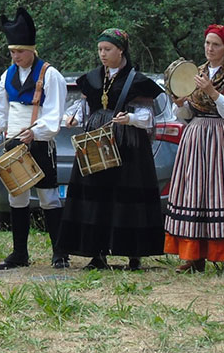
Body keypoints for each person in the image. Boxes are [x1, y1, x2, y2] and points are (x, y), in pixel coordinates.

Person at [57, 28, 165, 270]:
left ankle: (133, 254)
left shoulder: (137, 81)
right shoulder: (93, 78)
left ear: (121, 50)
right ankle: (97, 253)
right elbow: (85, 105)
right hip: (96, 143)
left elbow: (148, 116)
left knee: (127, 196)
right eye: (100, 50)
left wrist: (132, 120)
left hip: (129, 147)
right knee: (96, 196)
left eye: (107, 49)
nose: (103, 54)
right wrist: (72, 116)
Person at [164, 25, 224, 273]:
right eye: (207, 43)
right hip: (196, 135)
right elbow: (186, 114)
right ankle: (194, 255)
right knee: (194, 192)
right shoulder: (197, 72)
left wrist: (212, 92)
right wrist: (180, 104)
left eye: (215, 44)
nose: (209, 49)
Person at [0, 7, 70, 270]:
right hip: (13, 143)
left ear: (32, 49)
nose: (15, 57)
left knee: (48, 197)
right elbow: (2, 108)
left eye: (20, 52)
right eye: (12, 52)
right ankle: (19, 253)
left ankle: (59, 253)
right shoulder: (7, 75)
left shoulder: (50, 75)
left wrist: (36, 131)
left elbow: (55, 114)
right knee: (17, 197)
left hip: (39, 143)